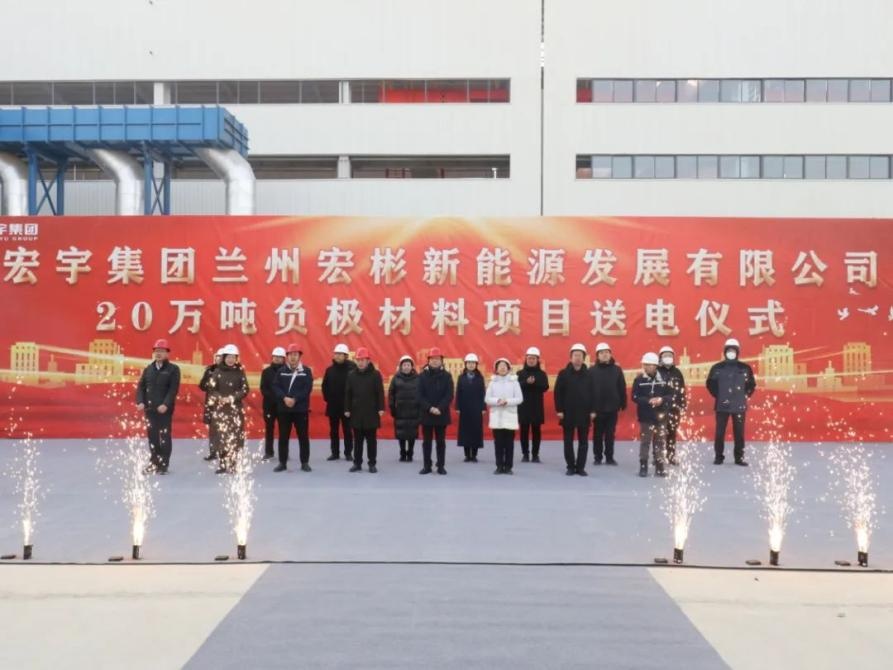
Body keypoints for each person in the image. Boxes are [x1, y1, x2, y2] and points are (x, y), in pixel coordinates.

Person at [706, 338, 756, 466]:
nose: (731, 353)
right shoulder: (717, 367)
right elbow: (710, 384)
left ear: (737, 352)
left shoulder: (745, 368)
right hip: (722, 405)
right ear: (725, 352)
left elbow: (751, 384)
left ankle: (739, 458)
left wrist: (744, 396)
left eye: (733, 350)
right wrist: (719, 396)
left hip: (739, 406)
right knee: (719, 433)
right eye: (729, 350)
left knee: (739, 433)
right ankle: (718, 457)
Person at [135, 339, 180, 475]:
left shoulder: (173, 369)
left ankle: (163, 464)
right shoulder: (148, 369)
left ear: (167, 353)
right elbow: (141, 387)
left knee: (164, 437)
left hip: (165, 410)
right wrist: (140, 401)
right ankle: (154, 462)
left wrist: (165, 404)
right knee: (153, 437)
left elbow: (173, 390)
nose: (158, 353)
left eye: (162, 351)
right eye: (156, 351)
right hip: (150, 410)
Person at [203, 344, 249, 474]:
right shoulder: (217, 372)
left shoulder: (240, 372)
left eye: (233, 357)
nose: (230, 359)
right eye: (228, 357)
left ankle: (233, 464)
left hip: (235, 410)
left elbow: (245, 389)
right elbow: (211, 389)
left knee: (235, 438)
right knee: (221, 437)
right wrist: (220, 398)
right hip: (220, 409)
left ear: (236, 358)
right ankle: (222, 464)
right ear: (224, 358)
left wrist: (232, 398)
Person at [554, 343, 595, 476]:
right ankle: (570, 466)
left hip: (584, 412)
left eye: (580, 355)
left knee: (583, 441)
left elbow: (594, 394)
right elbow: (558, 393)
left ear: (584, 358)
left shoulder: (589, 374)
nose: (577, 358)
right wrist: (559, 410)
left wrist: (593, 410)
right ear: (570, 358)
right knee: (568, 441)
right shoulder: (563, 374)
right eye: (575, 355)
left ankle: (581, 467)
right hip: (568, 412)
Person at [273, 343, 313, 472]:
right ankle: (282, 463)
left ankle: (305, 462)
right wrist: (284, 398)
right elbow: (276, 387)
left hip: (300, 410)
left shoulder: (306, 371)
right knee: (283, 437)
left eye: (295, 355)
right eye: (290, 355)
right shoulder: (281, 371)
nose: (293, 357)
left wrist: (295, 399)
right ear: (287, 356)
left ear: (299, 356)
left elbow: (307, 389)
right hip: (284, 409)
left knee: (303, 437)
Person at [344, 348, 386, 473]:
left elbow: (380, 392)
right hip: (356, 412)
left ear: (368, 361)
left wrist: (381, 408)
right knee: (357, 441)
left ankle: (372, 463)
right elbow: (348, 393)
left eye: (363, 360)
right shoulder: (351, 375)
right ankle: (357, 463)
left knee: (371, 441)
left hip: (371, 412)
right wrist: (347, 408)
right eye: (358, 360)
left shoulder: (375, 374)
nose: (360, 362)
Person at [632, 352, 672, 477]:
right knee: (645, 442)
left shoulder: (665, 379)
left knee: (660, 442)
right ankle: (643, 466)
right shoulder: (639, 380)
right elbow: (635, 397)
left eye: (651, 365)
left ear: (656, 366)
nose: (648, 367)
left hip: (661, 416)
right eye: (646, 364)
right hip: (646, 417)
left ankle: (660, 466)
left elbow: (671, 395)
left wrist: (661, 399)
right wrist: (648, 401)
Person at [417, 347, 454, 475]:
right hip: (427, 414)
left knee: (441, 442)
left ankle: (441, 466)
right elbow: (419, 396)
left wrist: (439, 408)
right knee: (426, 442)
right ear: (428, 360)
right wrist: (430, 408)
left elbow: (449, 395)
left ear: (441, 361)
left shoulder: (447, 376)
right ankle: (427, 466)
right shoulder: (422, 376)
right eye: (432, 359)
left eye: (437, 359)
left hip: (441, 414)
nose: (435, 361)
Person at [589, 342, 627, 466]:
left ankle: (609, 457)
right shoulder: (591, 371)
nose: (604, 355)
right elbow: (587, 390)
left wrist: (623, 402)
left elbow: (621, 387)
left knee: (610, 434)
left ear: (610, 354)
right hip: (597, 408)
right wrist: (590, 408)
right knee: (597, 434)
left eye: (606, 352)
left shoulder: (617, 370)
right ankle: (597, 457)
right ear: (597, 355)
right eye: (601, 353)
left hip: (612, 408)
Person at [486, 358, 524, 475]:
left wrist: (507, 401)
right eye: (500, 366)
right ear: (496, 369)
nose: (502, 368)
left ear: (508, 368)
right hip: (496, 417)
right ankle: (499, 466)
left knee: (509, 444)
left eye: (504, 366)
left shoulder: (514, 382)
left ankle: (508, 467)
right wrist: (498, 401)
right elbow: (487, 399)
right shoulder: (492, 382)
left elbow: (519, 399)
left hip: (510, 416)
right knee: (498, 443)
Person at [322, 343, 357, 461]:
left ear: (346, 356)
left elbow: (355, 388)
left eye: (340, 354)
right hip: (333, 405)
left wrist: (351, 403)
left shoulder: (352, 369)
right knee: (333, 431)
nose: (337, 356)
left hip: (347, 406)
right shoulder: (329, 370)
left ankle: (348, 453)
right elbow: (324, 386)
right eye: (336, 354)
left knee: (347, 431)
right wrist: (328, 399)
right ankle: (335, 453)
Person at [517, 346, 549, 463]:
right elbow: (516, 387)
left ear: (537, 360)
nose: (531, 360)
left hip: (536, 406)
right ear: (526, 359)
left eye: (533, 358)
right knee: (524, 431)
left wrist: (534, 383)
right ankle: (525, 454)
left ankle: (535, 454)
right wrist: (526, 382)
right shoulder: (520, 373)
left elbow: (545, 387)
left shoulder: (542, 374)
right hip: (523, 406)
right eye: (529, 358)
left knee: (536, 431)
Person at [388, 355, 420, 462]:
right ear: (401, 366)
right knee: (401, 433)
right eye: (404, 365)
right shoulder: (396, 378)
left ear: (412, 366)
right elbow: (391, 394)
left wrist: (420, 409)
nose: (406, 367)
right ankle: (402, 453)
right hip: (400, 411)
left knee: (412, 434)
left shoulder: (418, 378)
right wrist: (392, 407)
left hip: (413, 410)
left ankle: (410, 453)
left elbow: (421, 394)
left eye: (408, 365)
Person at [658, 345, 687, 466]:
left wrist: (683, 404)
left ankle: (671, 456)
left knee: (672, 433)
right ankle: (658, 457)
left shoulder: (677, 372)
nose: (668, 358)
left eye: (670, 355)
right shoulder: (656, 372)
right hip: (660, 408)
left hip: (674, 408)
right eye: (665, 356)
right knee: (659, 434)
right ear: (660, 358)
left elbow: (682, 390)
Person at [455, 353, 486, 462]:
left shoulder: (480, 378)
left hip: (477, 408)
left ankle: (474, 455)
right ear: (466, 364)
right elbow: (458, 393)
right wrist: (457, 407)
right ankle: (467, 455)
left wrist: (483, 408)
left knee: (476, 431)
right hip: (464, 408)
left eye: (473, 363)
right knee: (465, 431)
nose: (471, 365)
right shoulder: (461, 377)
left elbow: (483, 393)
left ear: (476, 364)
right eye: (469, 363)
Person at [259, 346, 286, 460]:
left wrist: (282, 398)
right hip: (269, 406)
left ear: (284, 358)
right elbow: (263, 388)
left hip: (283, 406)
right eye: (275, 356)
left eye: (280, 357)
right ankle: (269, 452)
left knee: (284, 430)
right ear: (272, 357)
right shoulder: (266, 372)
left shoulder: (287, 371)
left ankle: (283, 452)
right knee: (269, 429)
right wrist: (274, 398)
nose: (277, 358)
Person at [199, 348, 223, 462]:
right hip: (211, 403)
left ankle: (224, 451)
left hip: (225, 404)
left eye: (221, 357)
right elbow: (202, 386)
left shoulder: (232, 371)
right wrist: (208, 379)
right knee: (213, 429)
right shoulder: (209, 370)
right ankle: (213, 452)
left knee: (224, 428)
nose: (219, 359)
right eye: (217, 357)